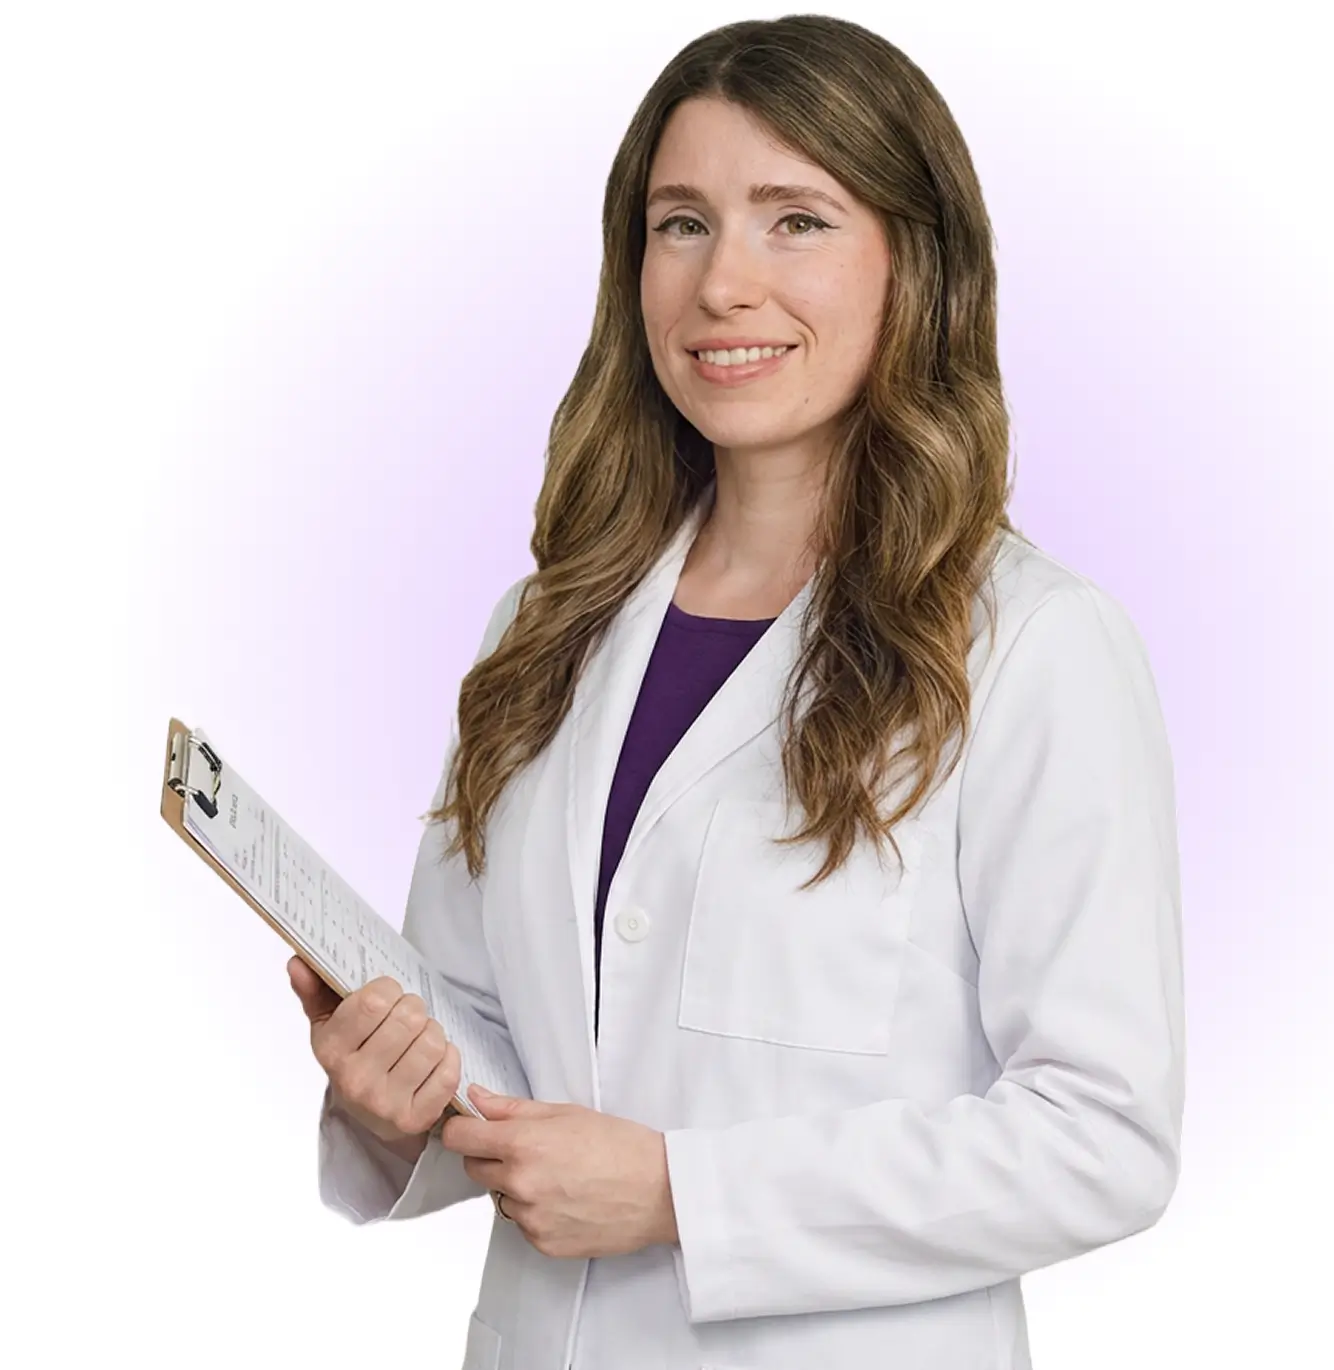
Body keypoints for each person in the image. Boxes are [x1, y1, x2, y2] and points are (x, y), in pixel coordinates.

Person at [289, 14, 1185, 1370]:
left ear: (914, 262)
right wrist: (396, 1092)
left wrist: (683, 1197)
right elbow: (495, 1030)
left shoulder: (1033, 648)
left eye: (797, 221)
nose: (724, 285)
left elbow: (1102, 1132)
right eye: (683, 223)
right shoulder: (544, 627)